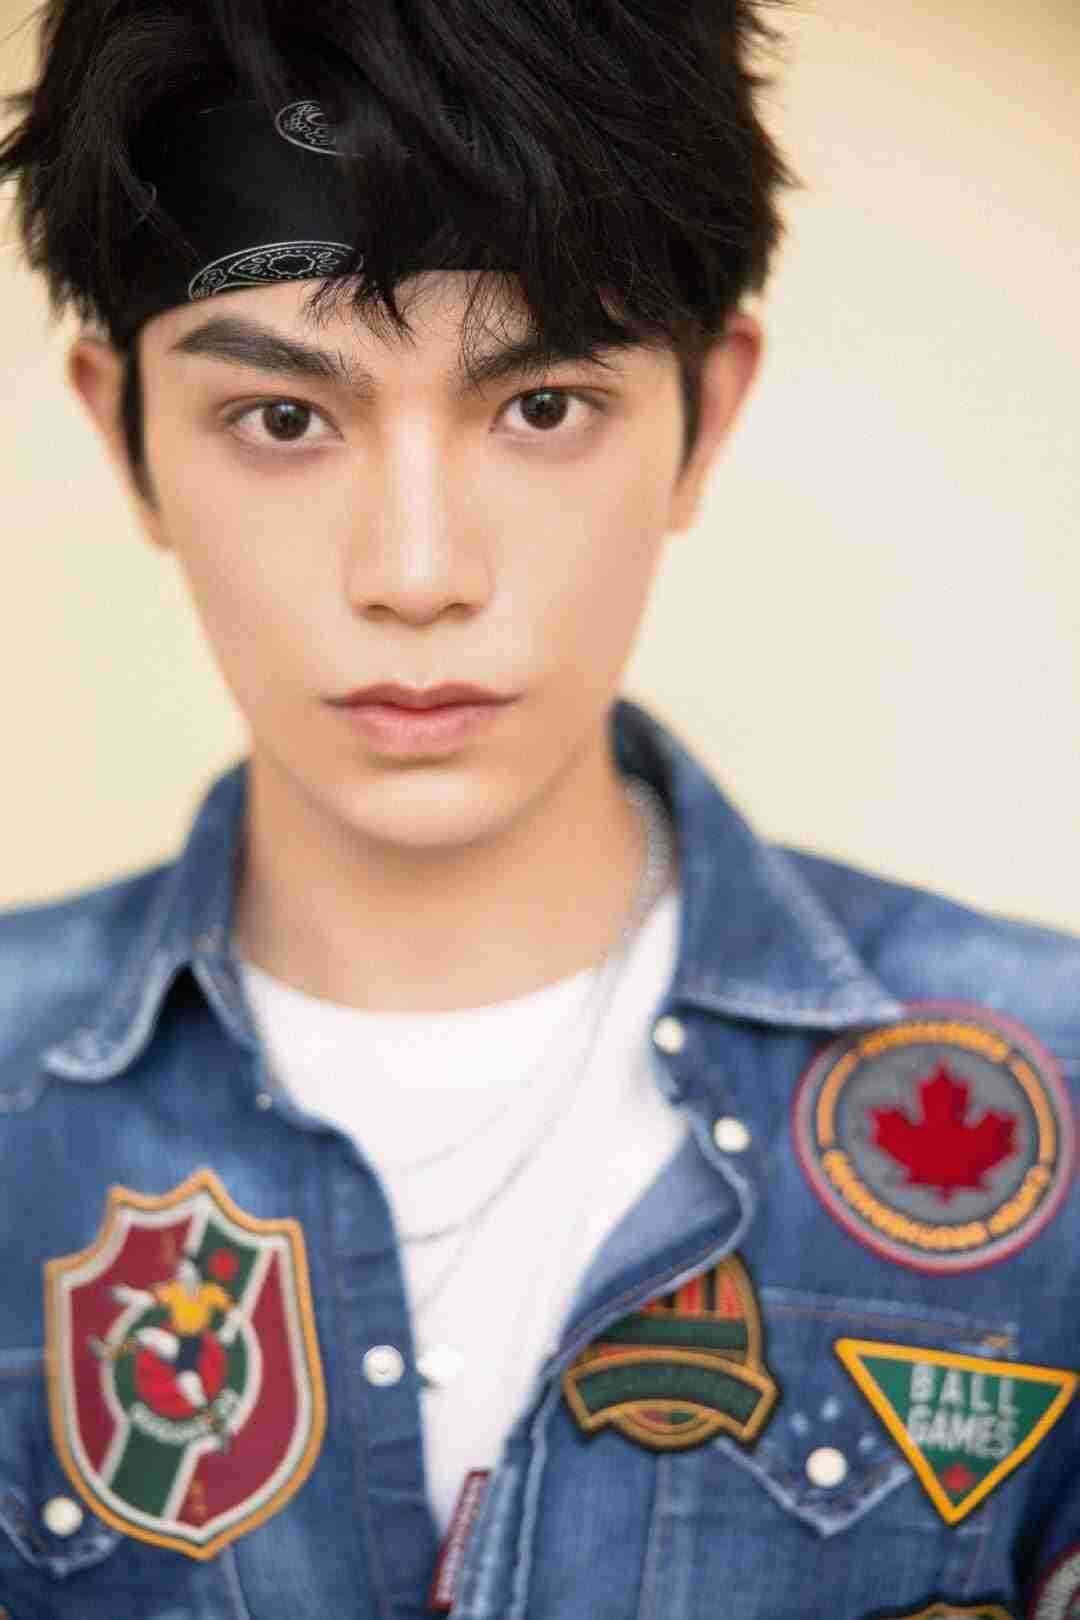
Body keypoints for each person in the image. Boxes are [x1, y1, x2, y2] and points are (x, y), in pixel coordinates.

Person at [0, 1, 1076, 1616]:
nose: (417, 572)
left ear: (707, 413)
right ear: (124, 431)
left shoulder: (1057, 1111)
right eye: (284, 419)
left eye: (543, 406)